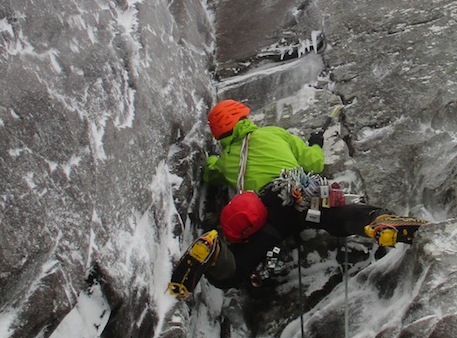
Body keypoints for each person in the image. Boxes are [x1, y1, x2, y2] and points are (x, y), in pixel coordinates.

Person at [167, 99, 425, 298]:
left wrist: (213, 159)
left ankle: (215, 253)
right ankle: (378, 221)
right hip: (298, 193)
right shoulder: (274, 133)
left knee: (234, 272)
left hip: (267, 214)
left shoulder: (226, 159)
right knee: (337, 218)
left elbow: (210, 173)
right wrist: (314, 143)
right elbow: (314, 162)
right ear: (243, 117)